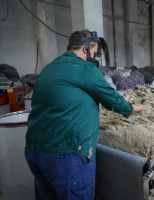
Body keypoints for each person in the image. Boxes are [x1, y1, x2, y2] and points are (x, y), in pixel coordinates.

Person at [25, 29, 147, 200]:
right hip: (66, 156)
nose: (93, 59)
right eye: (94, 54)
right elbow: (110, 98)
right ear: (85, 50)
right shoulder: (84, 67)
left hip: (35, 152)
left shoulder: (50, 67)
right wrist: (130, 107)